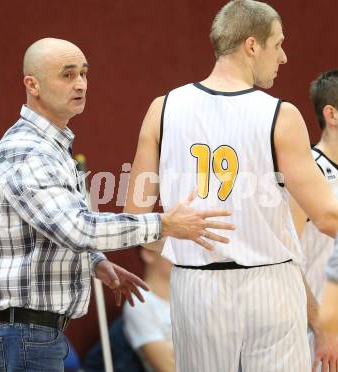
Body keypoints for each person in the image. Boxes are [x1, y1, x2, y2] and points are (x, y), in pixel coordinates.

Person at [0, 37, 235, 372]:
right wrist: (164, 224)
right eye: (68, 75)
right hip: (20, 335)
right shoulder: (28, 151)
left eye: (84, 73)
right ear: (32, 85)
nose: (80, 84)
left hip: (28, 334)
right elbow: (78, 229)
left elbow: (48, 231)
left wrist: (94, 263)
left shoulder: (50, 147)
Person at [124, 1, 338, 371]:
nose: (284, 57)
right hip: (270, 283)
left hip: (196, 286)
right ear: (252, 45)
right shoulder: (280, 114)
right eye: (278, 44)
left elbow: (135, 220)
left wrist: (177, 236)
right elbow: (327, 216)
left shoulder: (163, 108)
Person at [293, 70, 338, 371]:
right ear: (332, 114)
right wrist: (322, 327)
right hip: (314, 335)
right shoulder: (308, 172)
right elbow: (284, 258)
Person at [123, 248, 174, 372]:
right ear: (148, 254)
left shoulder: (192, 295)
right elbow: (169, 367)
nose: (181, 254)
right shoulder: (139, 303)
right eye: (172, 247)